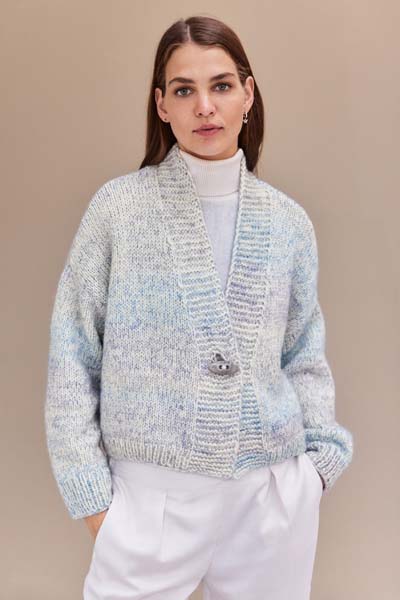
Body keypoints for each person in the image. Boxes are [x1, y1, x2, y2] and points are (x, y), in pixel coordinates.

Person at [44, 15, 354, 600]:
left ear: (248, 95)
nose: (205, 107)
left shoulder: (288, 222)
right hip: (150, 502)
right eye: (184, 90)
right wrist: (95, 504)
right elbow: (72, 357)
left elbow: (304, 354)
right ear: (162, 105)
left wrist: (315, 470)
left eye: (221, 86)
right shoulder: (118, 211)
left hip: (270, 500)